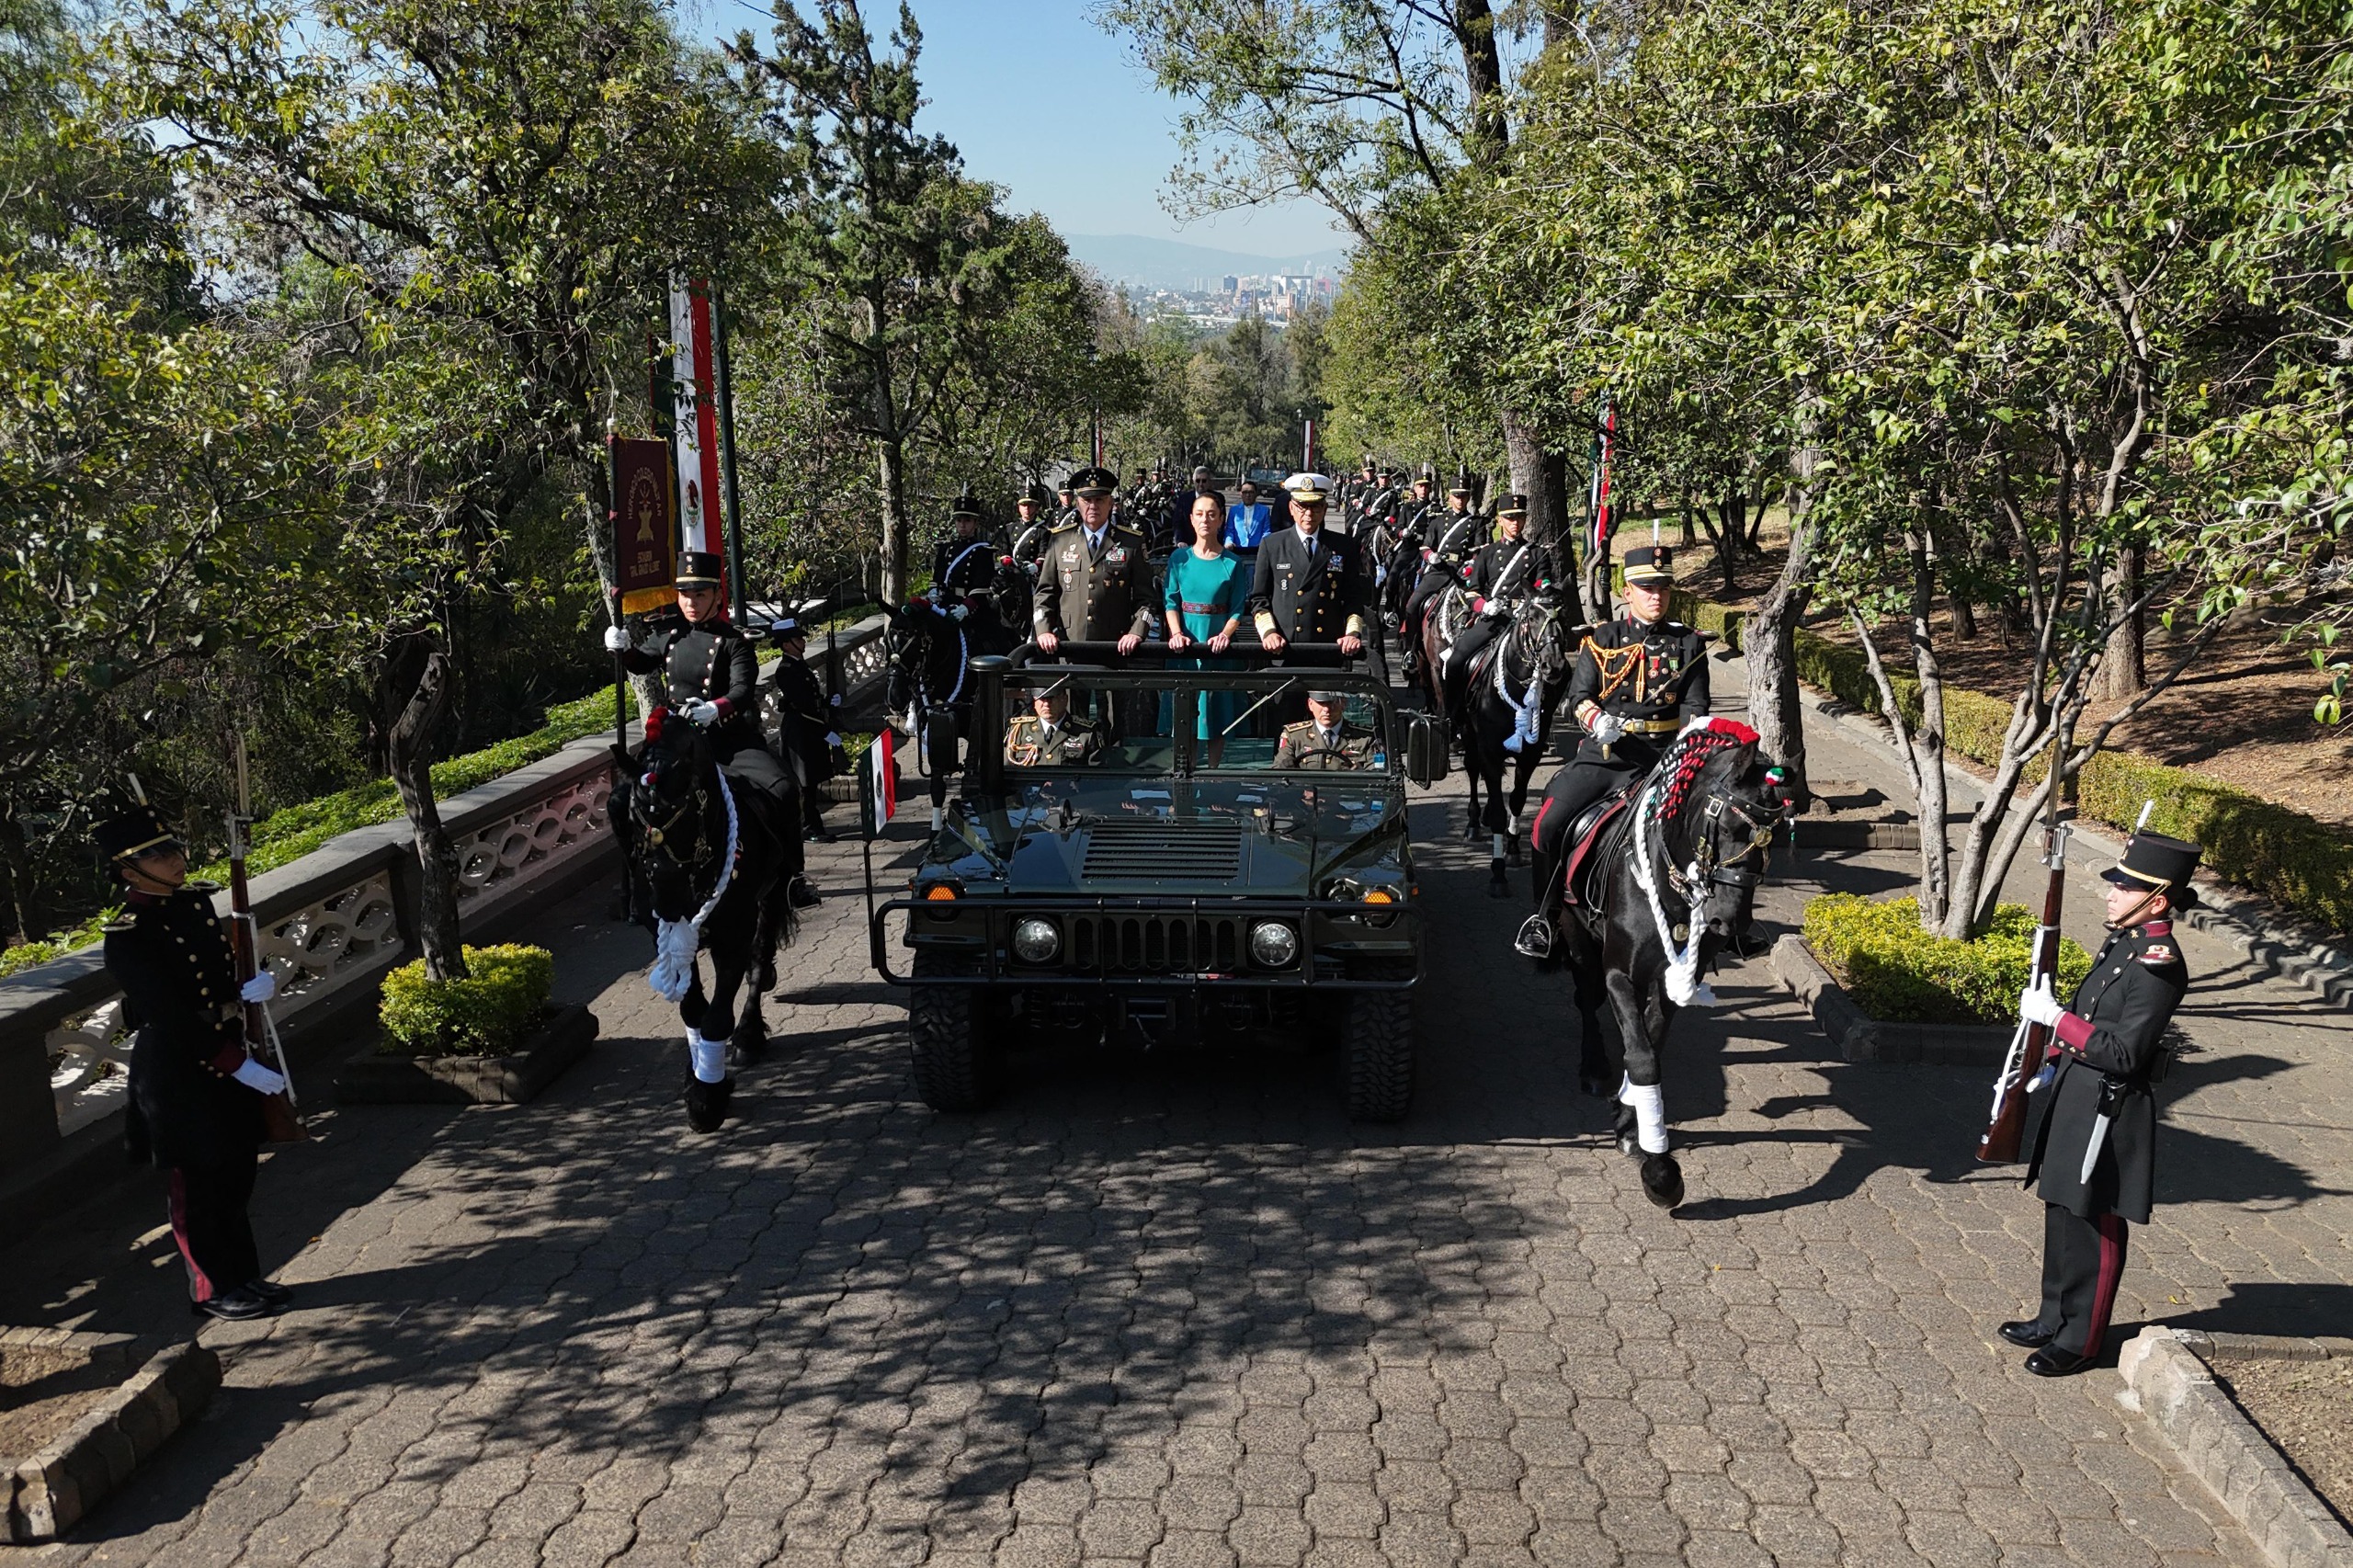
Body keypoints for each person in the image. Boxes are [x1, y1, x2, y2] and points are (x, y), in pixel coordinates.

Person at [2001, 830, 2200, 1376]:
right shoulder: (2124, 942)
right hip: (2077, 1088)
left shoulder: (2159, 965)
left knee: (2095, 1220)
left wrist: (2055, 1019)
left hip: (2111, 1107)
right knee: (2061, 1204)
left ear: (2156, 900)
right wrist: (2051, 1056)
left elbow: (2124, 1051)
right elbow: (2095, 1021)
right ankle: (2053, 1315)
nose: (2111, 894)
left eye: (2124, 888)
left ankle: (2082, 1338)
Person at [97, 801, 289, 1322]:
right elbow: (167, 1014)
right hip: (179, 1069)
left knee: (237, 1173)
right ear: (127, 869)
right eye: (157, 855)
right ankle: (209, 1288)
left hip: (226, 1053)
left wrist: (252, 985)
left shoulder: (196, 905)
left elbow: (219, 970)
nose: (175, 860)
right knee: (198, 1184)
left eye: (173, 848)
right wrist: (234, 1063)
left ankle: (243, 1276)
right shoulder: (128, 934)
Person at [1518, 544, 1709, 957]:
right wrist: (1596, 721)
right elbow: (1578, 697)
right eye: (1646, 587)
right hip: (1606, 758)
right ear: (1627, 591)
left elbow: (1697, 709)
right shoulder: (1602, 639)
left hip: (1663, 762)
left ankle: (1719, 922)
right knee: (1546, 826)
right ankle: (1544, 919)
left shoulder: (1689, 645)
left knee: (1715, 826)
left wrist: (1683, 748)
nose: (1655, 595)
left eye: (1662, 587)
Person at [605, 551, 796, 833]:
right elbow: (640, 664)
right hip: (676, 741)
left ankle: (792, 874)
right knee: (622, 801)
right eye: (684, 595)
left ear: (717, 596)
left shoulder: (735, 642)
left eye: (700, 595)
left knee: (784, 789)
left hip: (727, 741)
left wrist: (714, 709)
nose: (691, 603)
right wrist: (622, 649)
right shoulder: (670, 634)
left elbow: (742, 690)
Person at [1164, 489, 1250, 763]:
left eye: (1211, 515)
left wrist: (1225, 635)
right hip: (1185, 644)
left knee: (1215, 710)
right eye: (1199, 514)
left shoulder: (1233, 563)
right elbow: (1170, 602)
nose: (1205, 520)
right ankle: (1185, 768)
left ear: (1221, 519)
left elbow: (1238, 608)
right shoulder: (1179, 559)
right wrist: (1176, 633)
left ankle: (1212, 773)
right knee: (1185, 709)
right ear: (1191, 519)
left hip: (1217, 646)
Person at [1438, 493, 1545, 713]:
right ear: (1500, 520)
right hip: (1495, 618)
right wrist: (1484, 606)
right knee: (1456, 660)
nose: (1515, 523)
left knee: (1554, 666)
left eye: (1519, 517)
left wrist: (1529, 607)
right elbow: (1472, 591)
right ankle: (1453, 715)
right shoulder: (1487, 553)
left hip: (1525, 620)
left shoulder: (1537, 554)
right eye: (1510, 518)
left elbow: (1543, 589)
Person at [1033, 466, 1154, 656]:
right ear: (1077, 504)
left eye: (1099, 500)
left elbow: (1146, 600)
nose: (1093, 506)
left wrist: (1137, 632)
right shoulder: (1060, 541)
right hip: (1068, 647)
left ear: (1110, 503)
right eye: (1086, 500)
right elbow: (1044, 594)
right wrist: (1043, 630)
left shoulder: (1131, 543)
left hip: (1116, 648)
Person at [765, 613, 837, 902]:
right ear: (786, 644)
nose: (803, 641)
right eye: (797, 639)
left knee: (813, 777)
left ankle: (813, 823)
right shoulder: (786, 669)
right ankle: (812, 826)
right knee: (804, 780)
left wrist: (828, 702)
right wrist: (825, 727)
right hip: (801, 729)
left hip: (808, 726)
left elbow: (811, 696)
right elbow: (801, 703)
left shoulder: (799, 665)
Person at [1274, 690, 1380, 769]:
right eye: (1321, 703)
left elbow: (1376, 774)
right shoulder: (1295, 736)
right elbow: (1280, 771)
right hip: (1305, 796)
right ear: (1310, 704)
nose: (1327, 709)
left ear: (1343, 703)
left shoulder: (1365, 737)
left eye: (1332, 703)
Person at [1005, 685, 1107, 767]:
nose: (1046, 704)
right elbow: (1006, 767)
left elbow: (1097, 775)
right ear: (1035, 702)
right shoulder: (1019, 731)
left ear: (1065, 699)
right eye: (1041, 699)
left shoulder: (1085, 733)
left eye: (1051, 699)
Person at [927, 491, 997, 603]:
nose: (962, 525)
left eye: (967, 521)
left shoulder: (983, 551)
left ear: (976, 523)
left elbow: (982, 585)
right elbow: (937, 578)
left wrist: (967, 607)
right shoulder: (946, 548)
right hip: (946, 600)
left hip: (971, 604)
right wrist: (933, 591)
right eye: (959, 520)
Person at [1224, 481, 1275, 560]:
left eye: (1251, 492)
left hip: (1257, 551)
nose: (1248, 495)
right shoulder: (1234, 510)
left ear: (1256, 493)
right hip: (1237, 550)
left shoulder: (1264, 510)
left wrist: (1263, 544)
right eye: (1245, 492)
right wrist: (1229, 542)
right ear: (1240, 493)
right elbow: (1229, 530)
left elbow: (1266, 531)